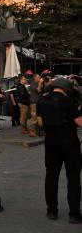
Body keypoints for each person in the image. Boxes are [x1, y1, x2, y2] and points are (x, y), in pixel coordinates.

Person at [37, 77, 82, 223]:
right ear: (66, 88)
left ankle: (52, 211)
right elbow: (79, 123)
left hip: (51, 143)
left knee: (51, 176)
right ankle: (74, 214)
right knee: (73, 178)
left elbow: (40, 123)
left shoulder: (42, 101)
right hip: (70, 143)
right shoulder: (69, 101)